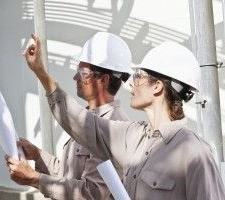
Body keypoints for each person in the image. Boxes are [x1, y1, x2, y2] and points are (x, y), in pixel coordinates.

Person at [17, 34, 225, 199]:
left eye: (138, 76)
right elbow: (81, 122)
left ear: (157, 87)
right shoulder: (134, 136)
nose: (131, 83)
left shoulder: (194, 152)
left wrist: (35, 180)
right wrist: (42, 74)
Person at [5, 32, 132, 199]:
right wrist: (37, 155)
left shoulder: (112, 127)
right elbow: (68, 173)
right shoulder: (88, 118)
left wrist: (34, 179)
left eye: (82, 72)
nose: (75, 77)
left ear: (104, 80)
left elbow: (91, 193)